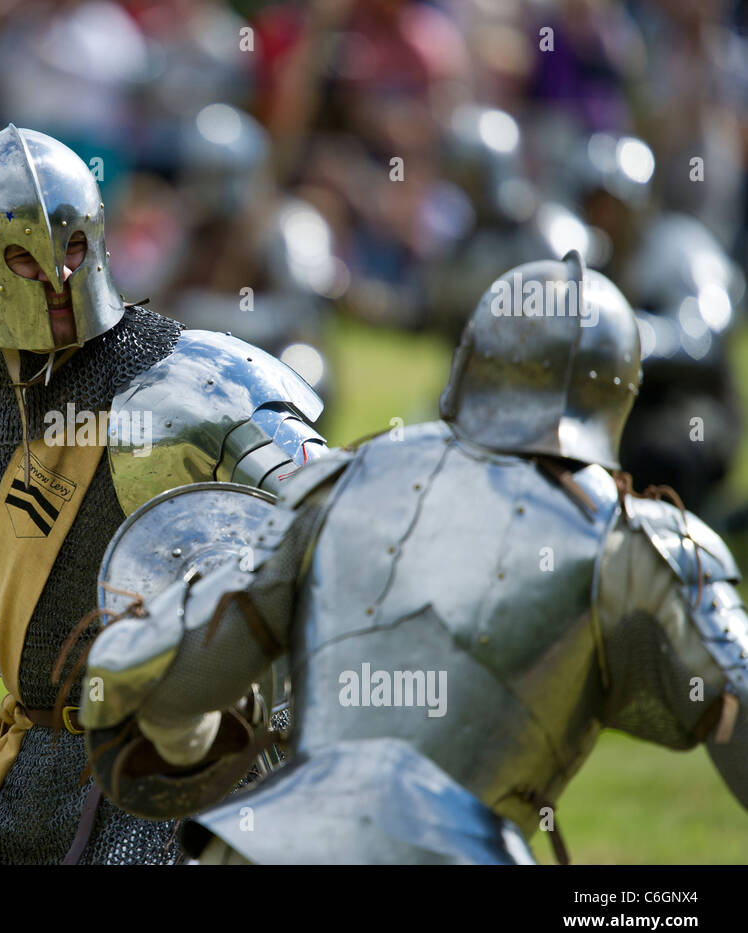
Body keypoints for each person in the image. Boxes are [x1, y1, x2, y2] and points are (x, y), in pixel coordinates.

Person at [80, 251, 748, 864]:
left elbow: (150, 677)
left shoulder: (346, 479)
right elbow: (735, 708)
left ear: (474, 361)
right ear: (619, 392)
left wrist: (184, 740)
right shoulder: (645, 541)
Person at [0, 124, 328, 864]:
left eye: (72, 249)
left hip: (182, 778)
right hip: (30, 773)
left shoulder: (201, 388)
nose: (57, 278)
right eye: (24, 257)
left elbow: (337, 532)